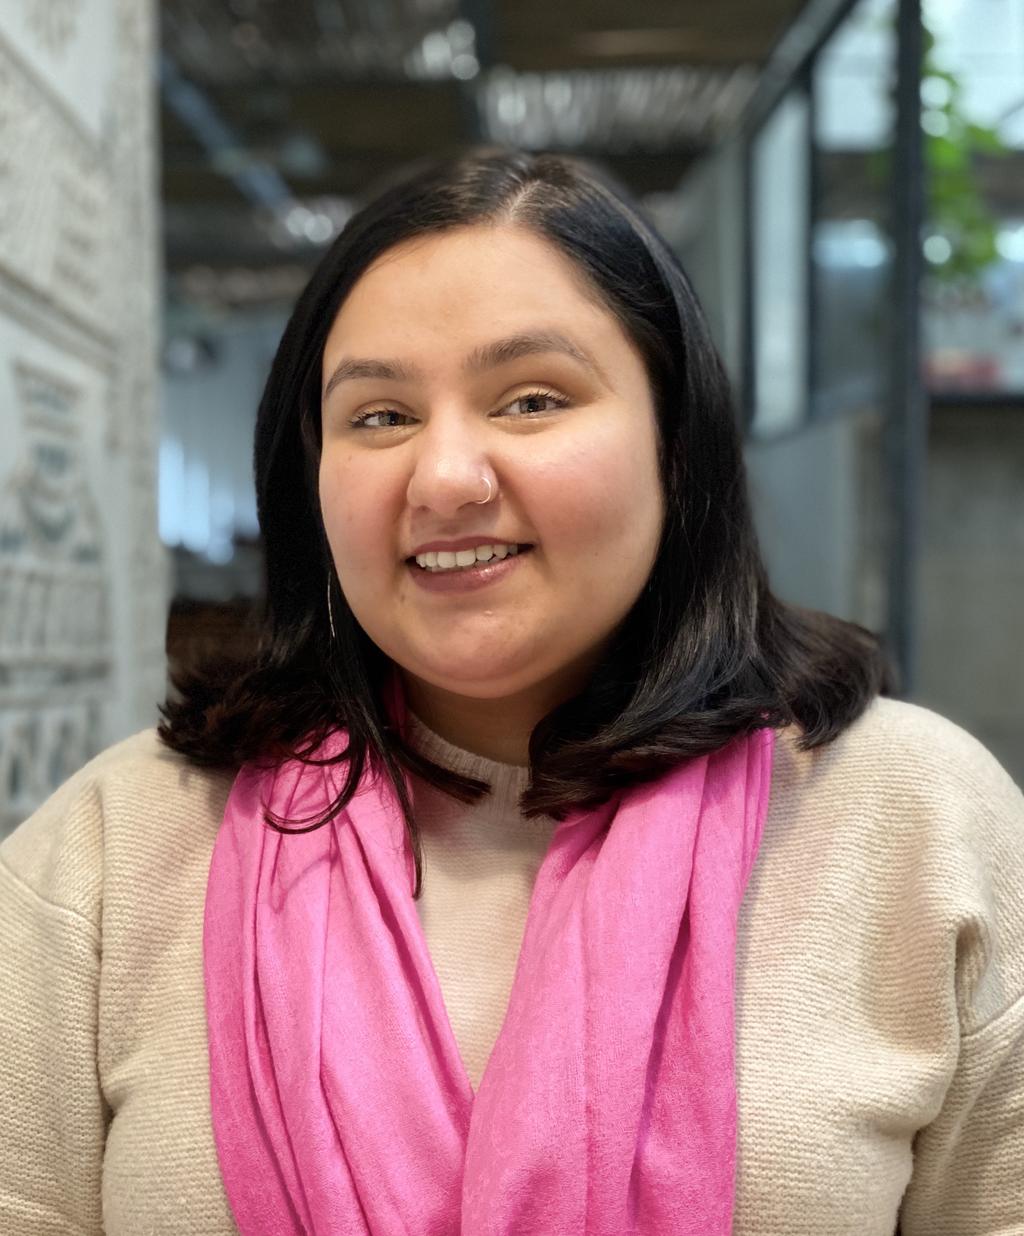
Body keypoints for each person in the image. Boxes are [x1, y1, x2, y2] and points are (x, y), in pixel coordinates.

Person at [1, 148, 1022, 1236]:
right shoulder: (118, 847)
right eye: (379, 416)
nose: (445, 478)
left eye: (532, 400)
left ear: (675, 446)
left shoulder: (911, 818)